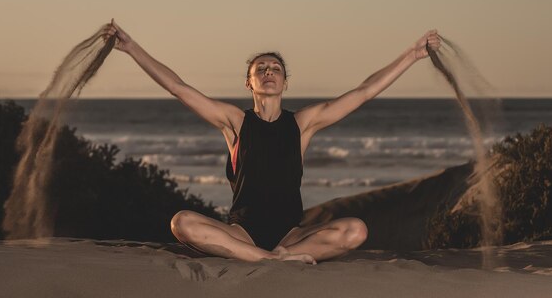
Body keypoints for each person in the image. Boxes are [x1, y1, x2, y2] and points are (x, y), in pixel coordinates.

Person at [104, 21, 441, 264]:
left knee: (356, 230)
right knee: (181, 223)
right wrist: (132, 48)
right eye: (260, 68)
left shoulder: (302, 124)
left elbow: (364, 92)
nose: (268, 71)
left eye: (275, 68)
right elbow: (178, 88)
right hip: (242, 233)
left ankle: (272, 257)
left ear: (284, 82)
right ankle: (270, 259)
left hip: (290, 236)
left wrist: (412, 55)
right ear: (249, 83)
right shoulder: (235, 122)